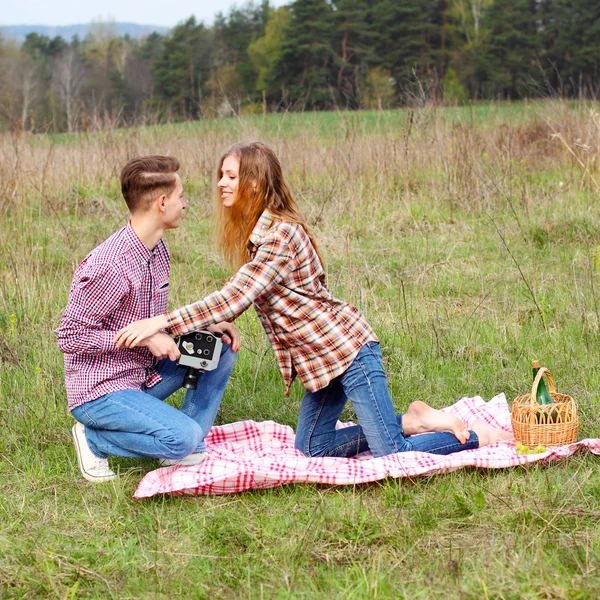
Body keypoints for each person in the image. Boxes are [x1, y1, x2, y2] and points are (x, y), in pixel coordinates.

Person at [115, 142, 512, 459]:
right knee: (313, 448)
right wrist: (203, 321)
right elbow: (238, 295)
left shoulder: (279, 236)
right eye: (221, 174)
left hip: (350, 352)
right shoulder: (261, 235)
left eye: (230, 176)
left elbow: (235, 296)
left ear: (254, 183)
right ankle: (411, 420)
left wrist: (162, 322)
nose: (220, 183)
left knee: (392, 453)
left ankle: (477, 437)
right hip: (322, 362)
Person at [57, 155, 239, 483]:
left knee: (219, 346)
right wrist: (143, 338)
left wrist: (200, 327)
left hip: (142, 373)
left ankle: (189, 438)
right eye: (181, 197)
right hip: (101, 392)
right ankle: (94, 439)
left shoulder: (157, 250)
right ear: (162, 202)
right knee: (179, 439)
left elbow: (146, 320)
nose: (185, 205)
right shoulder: (110, 265)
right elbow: (69, 336)